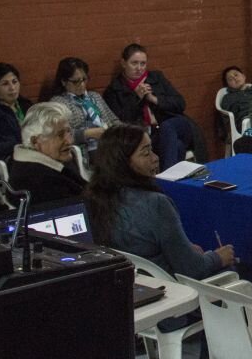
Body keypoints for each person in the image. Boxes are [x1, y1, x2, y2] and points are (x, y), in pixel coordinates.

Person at [86, 124, 235, 278]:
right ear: (123, 163)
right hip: (170, 286)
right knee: (235, 269)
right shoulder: (156, 204)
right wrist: (218, 257)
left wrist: (186, 249)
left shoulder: (94, 199)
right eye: (146, 153)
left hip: (127, 283)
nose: (155, 158)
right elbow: (192, 269)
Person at [103, 44, 200, 171]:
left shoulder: (156, 78)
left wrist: (153, 99)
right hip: (150, 134)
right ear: (123, 63)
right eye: (134, 63)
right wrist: (136, 97)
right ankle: (170, 179)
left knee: (167, 127)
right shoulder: (114, 90)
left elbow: (180, 104)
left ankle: (166, 179)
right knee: (178, 146)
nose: (139, 68)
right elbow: (121, 120)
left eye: (143, 64)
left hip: (174, 123)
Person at [7, 102, 86, 204]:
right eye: (60, 135)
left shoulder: (57, 159)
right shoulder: (36, 179)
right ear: (35, 141)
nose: (70, 141)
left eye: (69, 132)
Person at [49, 57, 121, 164]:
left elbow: (114, 120)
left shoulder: (94, 96)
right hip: (86, 150)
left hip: (108, 142)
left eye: (84, 79)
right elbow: (59, 135)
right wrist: (87, 133)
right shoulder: (58, 103)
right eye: (76, 82)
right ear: (64, 81)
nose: (82, 84)